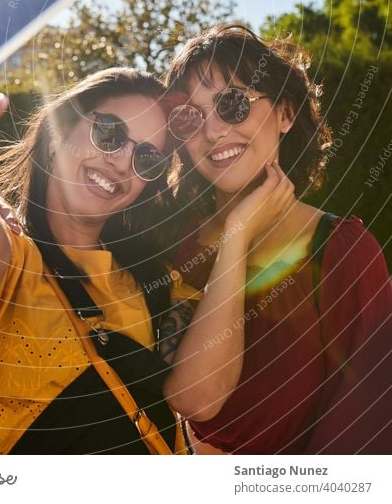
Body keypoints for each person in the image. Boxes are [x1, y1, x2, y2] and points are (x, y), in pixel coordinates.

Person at [0, 35, 200, 455]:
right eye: (109, 132)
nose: (122, 162)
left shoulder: (155, 281)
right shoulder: (13, 262)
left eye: (148, 158)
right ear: (58, 133)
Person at [162, 23, 392, 454]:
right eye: (190, 117)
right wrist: (237, 235)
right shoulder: (171, 245)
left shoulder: (342, 251)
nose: (212, 132)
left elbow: (372, 422)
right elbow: (194, 400)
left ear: (285, 114)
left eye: (232, 104)